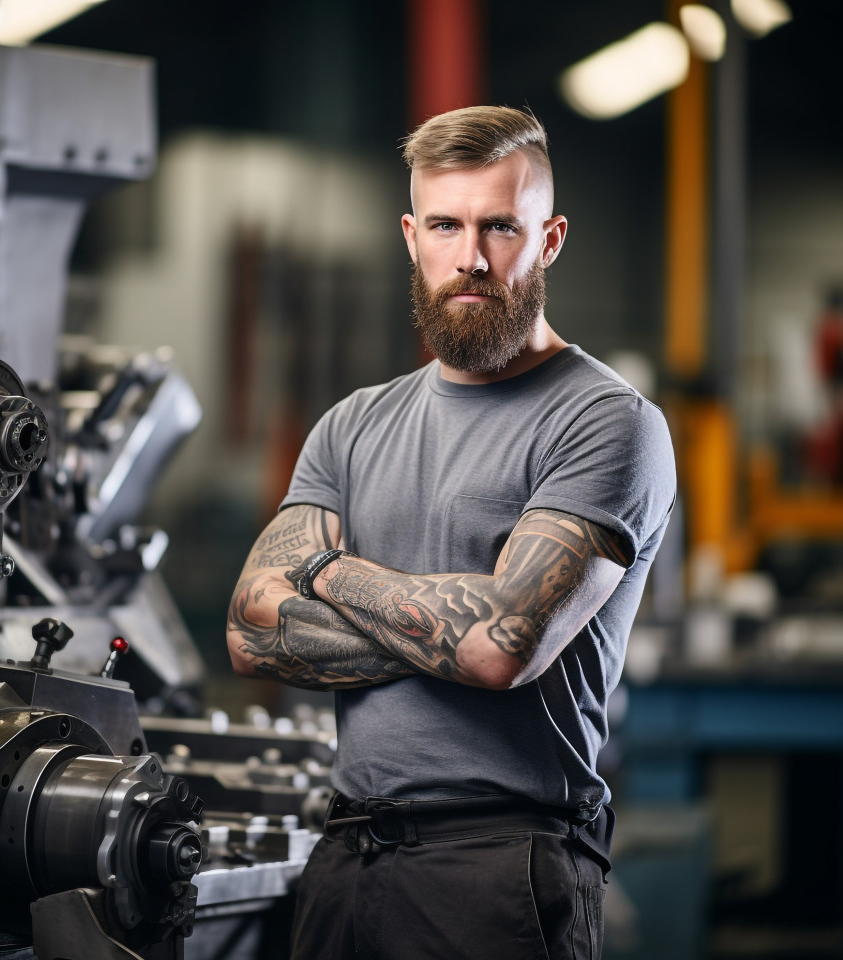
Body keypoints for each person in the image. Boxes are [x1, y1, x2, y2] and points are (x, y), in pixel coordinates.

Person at [226, 104, 676, 960]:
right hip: (347, 855)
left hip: (502, 866)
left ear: (549, 240)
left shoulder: (607, 423)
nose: (470, 257)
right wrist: (447, 630)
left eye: (500, 226)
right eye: (445, 224)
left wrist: (323, 571)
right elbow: (251, 633)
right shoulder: (352, 426)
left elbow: (501, 646)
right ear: (411, 235)